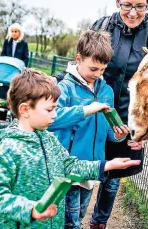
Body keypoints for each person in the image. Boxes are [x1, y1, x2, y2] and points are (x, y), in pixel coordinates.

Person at [0, 69, 140, 229]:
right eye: (50, 110)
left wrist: (107, 165)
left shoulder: (49, 139)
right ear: (25, 110)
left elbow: (70, 166)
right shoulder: (9, 148)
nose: (54, 115)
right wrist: (30, 210)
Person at [89, 0, 148, 228]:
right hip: (93, 117)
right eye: (127, 5)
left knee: (112, 180)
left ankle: (98, 223)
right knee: (81, 173)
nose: (133, 13)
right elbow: (82, 70)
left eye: (140, 6)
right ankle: (71, 219)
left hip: (128, 123)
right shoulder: (100, 28)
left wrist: (147, 131)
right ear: (117, 1)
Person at [48, 30, 135, 229]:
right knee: (71, 222)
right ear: (78, 59)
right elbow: (52, 119)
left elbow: (108, 132)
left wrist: (118, 135)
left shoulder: (106, 91)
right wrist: (86, 110)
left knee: (79, 214)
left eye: (102, 70)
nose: (98, 75)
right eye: (93, 69)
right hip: (69, 166)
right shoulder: (64, 87)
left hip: (92, 167)